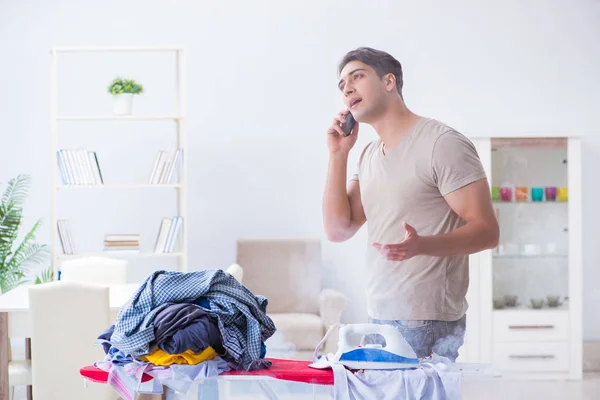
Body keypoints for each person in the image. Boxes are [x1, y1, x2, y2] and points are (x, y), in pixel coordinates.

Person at [322, 47, 499, 362]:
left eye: (357, 76)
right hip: (380, 312)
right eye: (342, 84)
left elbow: (487, 232)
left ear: (389, 82)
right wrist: (338, 154)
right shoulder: (369, 155)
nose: (347, 88)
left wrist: (422, 245)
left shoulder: (441, 143)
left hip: (426, 319)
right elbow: (339, 229)